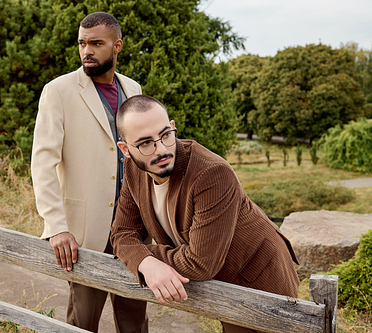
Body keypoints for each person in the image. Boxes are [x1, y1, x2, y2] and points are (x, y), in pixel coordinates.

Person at [110, 95, 300, 333]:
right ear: (126, 150)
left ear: (173, 127)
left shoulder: (212, 173)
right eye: (145, 143)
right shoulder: (133, 169)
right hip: (220, 282)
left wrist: (145, 256)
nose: (161, 149)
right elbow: (122, 231)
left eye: (166, 135)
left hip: (258, 281)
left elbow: (200, 263)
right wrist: (146, 264)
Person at [31, 12, 148, 333]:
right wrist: (56, 227)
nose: (87, 51)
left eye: (96, 43)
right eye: (82, 43)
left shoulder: (132, 87)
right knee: (82, 321)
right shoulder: (58, 91)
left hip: (135, 226)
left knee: (135, 318)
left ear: (117, 46)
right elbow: (43, 162)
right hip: (85, 233)